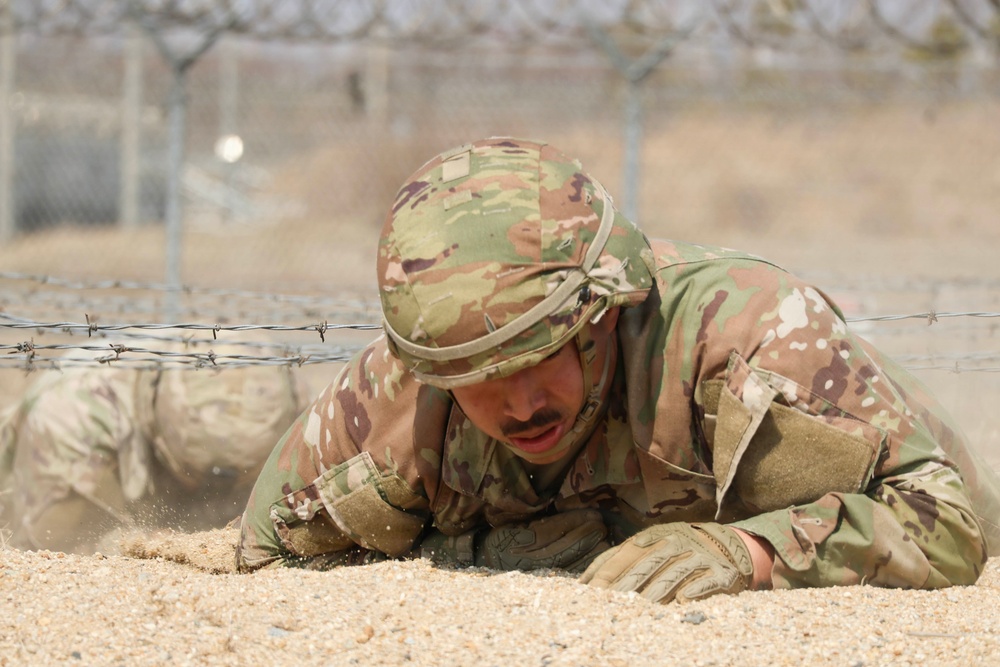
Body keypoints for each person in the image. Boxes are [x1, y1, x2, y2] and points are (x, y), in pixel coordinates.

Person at [236, 137, 1000, 604]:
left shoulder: (747, 336)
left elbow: (948, 524)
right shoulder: (395, 397)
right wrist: (471, 559)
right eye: (481, 381)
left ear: (604, 310)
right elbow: (264, 547)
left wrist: (749, 552)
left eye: (542, 357)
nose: (523, 402)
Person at [0, 338, 307, 555]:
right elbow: (48, 554)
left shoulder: (289, 403)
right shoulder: (72, 420)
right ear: (156, 436)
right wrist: (137, 544)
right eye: (192, 476)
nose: (212, 494)